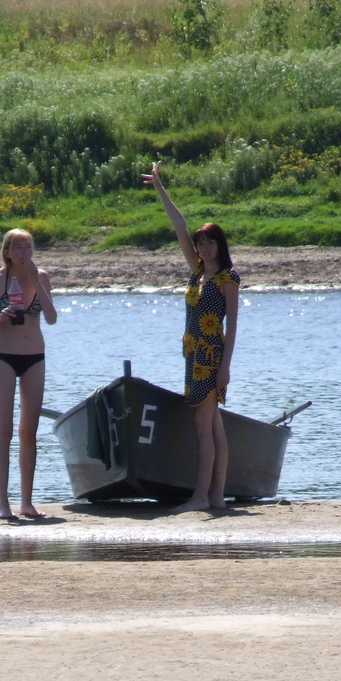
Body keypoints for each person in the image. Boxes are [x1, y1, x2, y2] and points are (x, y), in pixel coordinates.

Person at [143, 160, 240, 514]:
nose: (204, 248)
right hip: (192, 355)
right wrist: (160, 188)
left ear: (220, 245)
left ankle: (201, 496)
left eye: (210, 242)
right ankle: (216, 497)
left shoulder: (228, 278)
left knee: (203, 427)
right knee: (213, 427)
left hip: (211, 358)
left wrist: (225, 368)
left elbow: (233, 327)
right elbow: (179, 225)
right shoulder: (197, 271)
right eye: (200, 243)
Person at [0, 228, 57, 519]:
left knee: (28, 432)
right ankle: (3, 503)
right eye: (19, 248)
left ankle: (27, 502)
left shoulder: (41, 276)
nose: (25, 253)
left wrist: (36, 281)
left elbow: (51, 318)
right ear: (7, 252)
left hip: (35, 357)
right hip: (4, 358)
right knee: (5, 430)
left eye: (29, 247)